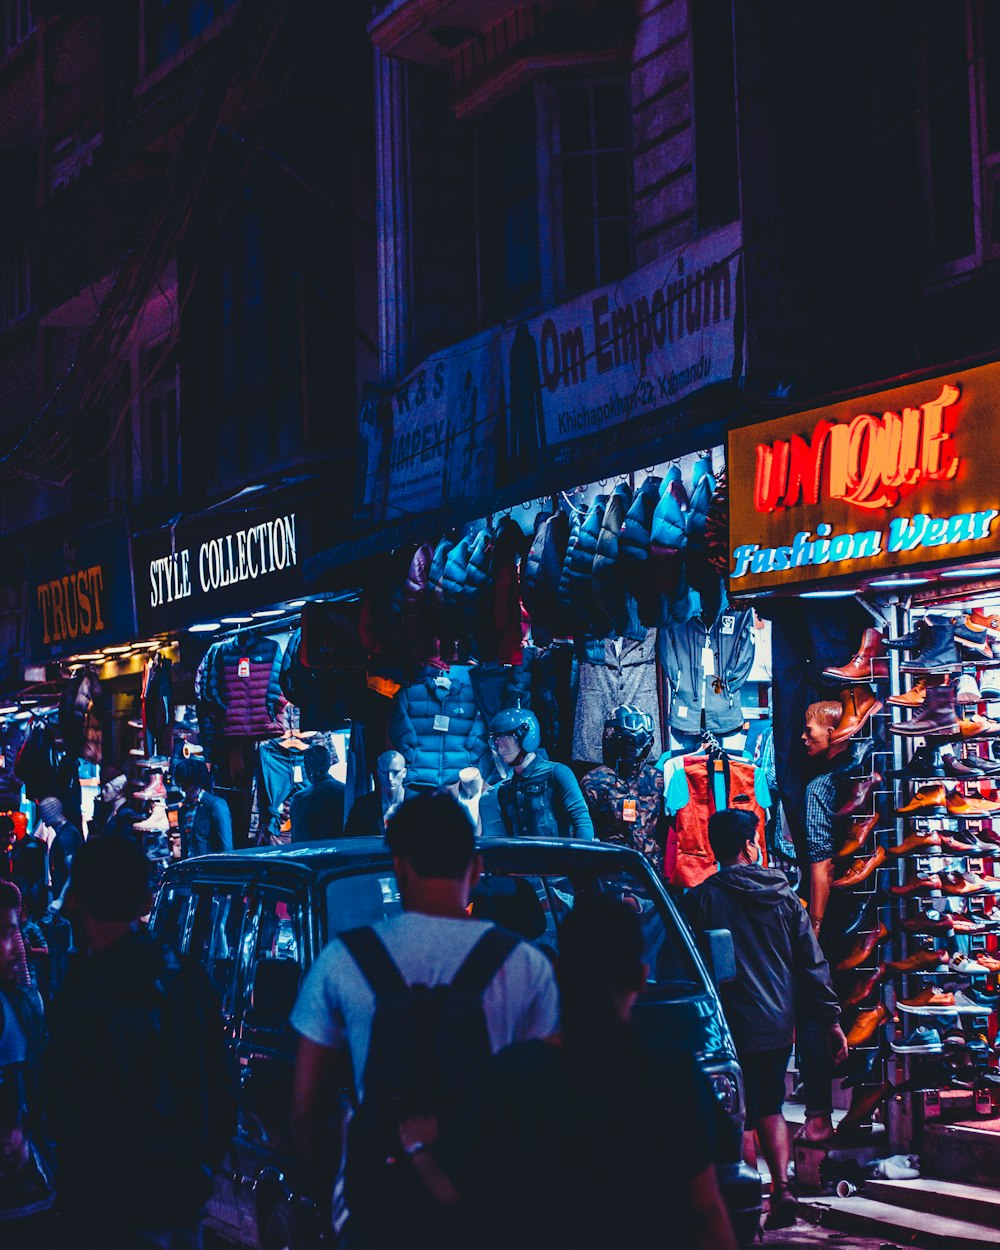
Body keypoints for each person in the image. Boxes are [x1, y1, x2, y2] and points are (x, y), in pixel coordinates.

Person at [290, 792, 559, 1247]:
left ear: (398, 867)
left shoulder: (342, 961)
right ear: (475, 869)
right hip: (490, 1215)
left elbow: (305, 1113)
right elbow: (548, 1107)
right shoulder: (526, 965)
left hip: (377, 1215)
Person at [398, 895, 736, 1250]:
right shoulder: (674, 1072)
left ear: (557, 971)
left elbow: (459, 1199)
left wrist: (418, 1149)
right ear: (640, 977)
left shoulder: (511, 1075)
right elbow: (707, 1211)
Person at [44, 836, 237, 1249]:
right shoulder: (185, 977)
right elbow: (222, 1087)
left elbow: (69, 1109)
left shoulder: (84, 996)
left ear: (81, 902)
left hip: (112, 1213)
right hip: (180, 1196)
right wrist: (200, 1170)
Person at [684, 808, 846, 1230]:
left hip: (728, 1028)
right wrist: (830, 1019)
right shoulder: (784, 896)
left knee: (738, 1114)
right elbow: (812, 963)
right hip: (776, 1024)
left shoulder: (702, 900)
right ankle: (782, 1190)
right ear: (748, 845)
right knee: (769, 1106)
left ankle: (748, 1201)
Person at [489, 709, 594, 839]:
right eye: (496, 743)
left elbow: (582, 822)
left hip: (555, 857)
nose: (500, 749)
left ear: (525, 738)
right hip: (520, 858)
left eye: (505, 742)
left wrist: (576, 858)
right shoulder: (505, 789)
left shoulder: (557, 773)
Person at [174, 757, 233, 858]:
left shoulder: (215, 805)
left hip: (210, 870)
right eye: (182, 785)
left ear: (196, 783)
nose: (184, 790)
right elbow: (185, 846)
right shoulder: (183, 810)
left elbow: (227, 849)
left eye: (187, 785)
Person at [343, 750, 410, 838]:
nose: (390, 778)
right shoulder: (362, 805)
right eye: (384, 772)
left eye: (395, 772)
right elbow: (350, 839)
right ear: (378, 773)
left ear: (404, 773)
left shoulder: (419, 804)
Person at [289, 742, 346, 842]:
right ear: (329, 764)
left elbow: (298, 841)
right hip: (342, 852)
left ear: (306, 767)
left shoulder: (300, 798)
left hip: (313, 854)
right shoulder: (345, 791)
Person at [35, 799, 82, 905]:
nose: (43, 819)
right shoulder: (63, 833)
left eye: (44, 813)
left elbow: (74, 870)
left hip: (68, 899)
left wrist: (61, 899)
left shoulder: (66, 836)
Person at [95, 766, 144, 843]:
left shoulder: (127, 814)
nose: (103, 792)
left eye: (106, 788)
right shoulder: (108, 810)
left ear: (118, 788)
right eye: (102, 787)